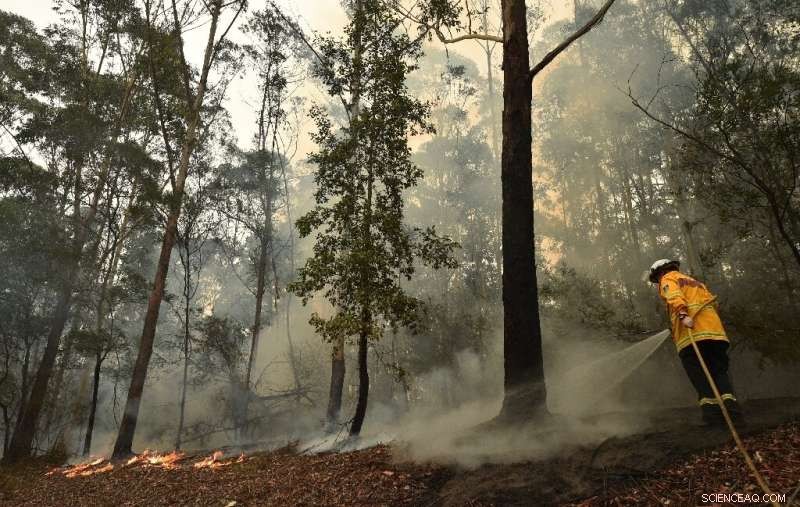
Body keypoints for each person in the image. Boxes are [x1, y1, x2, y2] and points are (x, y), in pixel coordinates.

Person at [648, 259, 742, 426]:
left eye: (657, 278)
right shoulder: (696, 283)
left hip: (692, 335)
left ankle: (713, 416)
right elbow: (714, 305)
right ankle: (733, 414)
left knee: (699, 376)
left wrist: (683, 315)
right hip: (716, 334)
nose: (658, 282)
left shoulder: (668, 279)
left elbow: (673, 295)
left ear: (660, 273)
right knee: (719, 371)